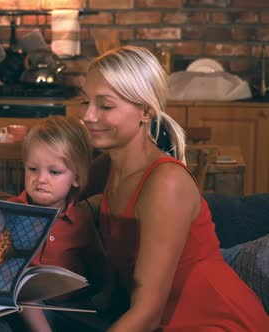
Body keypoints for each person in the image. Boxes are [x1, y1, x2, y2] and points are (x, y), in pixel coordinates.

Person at [81, 45, 269, 331]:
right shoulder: (104, 168)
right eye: (87, 103)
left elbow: (146, 314)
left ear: (145, 111)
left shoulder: (166, 183)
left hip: (214, 322)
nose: (89, 116)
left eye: (105, 106)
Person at [8, 116, 106, 331]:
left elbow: (99, 271)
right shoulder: (9, 213)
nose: (41, 179)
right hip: (20, 307)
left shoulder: (80, 222)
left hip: (70, 308)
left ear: (76, 178)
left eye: (54, 172)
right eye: (33, 169)